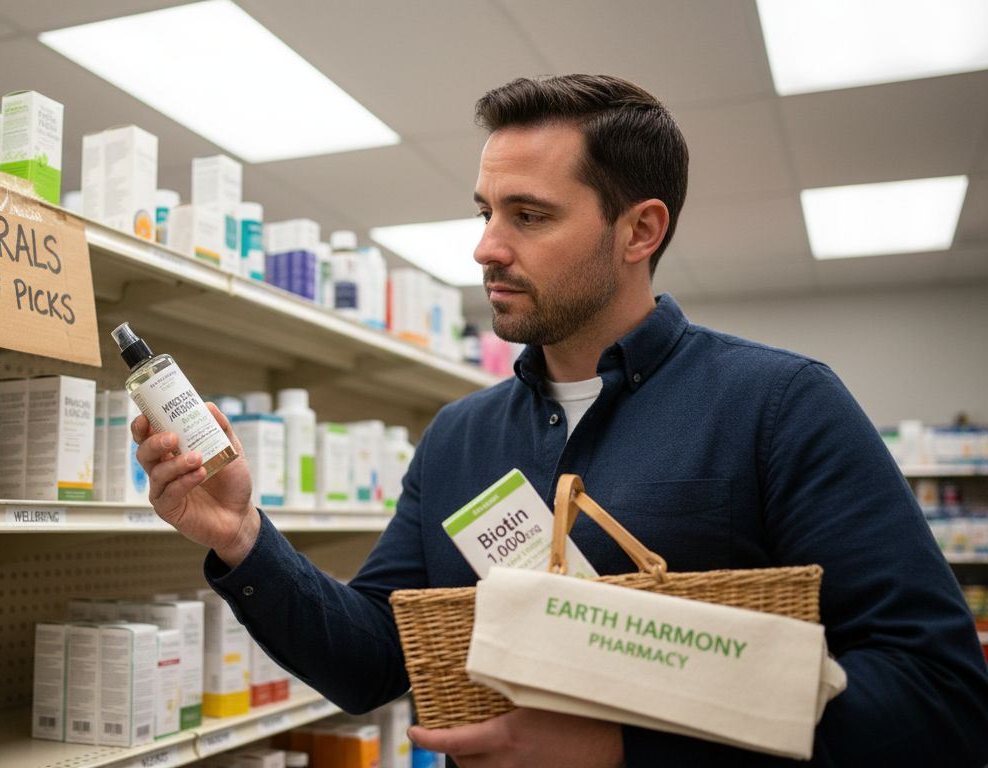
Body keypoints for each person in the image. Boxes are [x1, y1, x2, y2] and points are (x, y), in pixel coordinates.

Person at [132, 74, 988, 766]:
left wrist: (624, 751)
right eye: (485, 211)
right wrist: (242, 537)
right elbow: (371, 662)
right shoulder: (460, 436)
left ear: (639, 230)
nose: (486, 247)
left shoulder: (780, 405)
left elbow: (936, 697)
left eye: (529, 215)